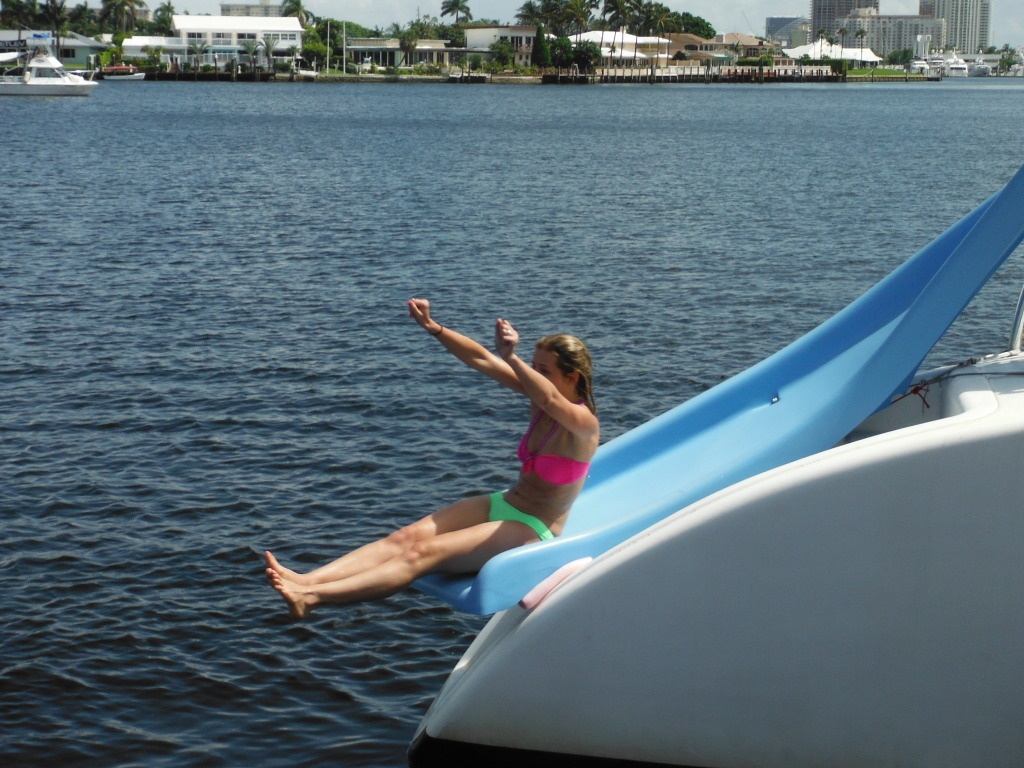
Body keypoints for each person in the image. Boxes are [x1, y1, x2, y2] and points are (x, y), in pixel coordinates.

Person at [264, 298, 600, 618]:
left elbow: (553, 400)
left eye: (544, 370)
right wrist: (433, 326)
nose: (533, 374)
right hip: (506, 502)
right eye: (532, 366)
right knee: (404, 538)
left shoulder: (583, 425)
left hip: (532, 526)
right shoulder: (539, 399)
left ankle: (311, 598)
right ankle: (307, 580)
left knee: (422, 554)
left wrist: (512, 359)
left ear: (573, 378)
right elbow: (482, 359)